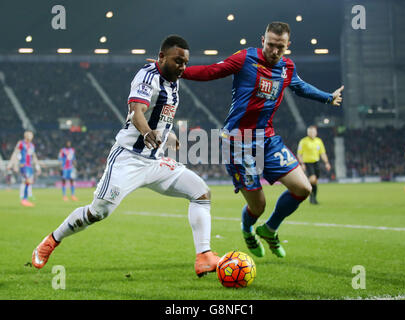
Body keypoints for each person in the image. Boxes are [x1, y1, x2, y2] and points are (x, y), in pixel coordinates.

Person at [32, 35, 220, 277]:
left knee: (201, 192)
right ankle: (51, 240)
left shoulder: (173, 80)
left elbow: (160, 116)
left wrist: (168, 136)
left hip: (155, 161)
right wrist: (147, 132)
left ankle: (204, 256)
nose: (182, 67)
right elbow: (137, 111)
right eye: (177, 61)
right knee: (97, 212)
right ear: (162, 57)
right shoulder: (147, 76)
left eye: (185, 62)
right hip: (128, 158)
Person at [181, 21, 343, 258]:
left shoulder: (287, 67)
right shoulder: (245, 58)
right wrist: (176, 71)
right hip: (238, 142)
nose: (275, 51)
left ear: (288, 45)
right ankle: (247, 229)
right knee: (258, 206)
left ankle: (270, 229)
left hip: (266, 139)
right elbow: (211, 71)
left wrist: (327, 98)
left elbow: (300, 86)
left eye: (281, 47)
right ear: (262, 41)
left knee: (303, 188)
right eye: (270, 45)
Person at [297, 125, 331, 204]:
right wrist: (302, 164)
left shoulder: (319, 141)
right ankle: (310, 195)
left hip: (316, 163)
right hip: (307, 163)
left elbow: (322, 153)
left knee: (315, 181)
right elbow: (299, 154)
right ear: (307, 133)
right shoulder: (303, 141)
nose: (311, 133)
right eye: (310, 132)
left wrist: (327, 163)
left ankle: (313, 198)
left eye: (313, 132)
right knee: (312, 179)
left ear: (316, 132)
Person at [7, 130, 41, 207]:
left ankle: (25, 199)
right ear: (26, 135)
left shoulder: (32, 145)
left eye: (31, 135)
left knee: (28, 182)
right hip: (23, 165)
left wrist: (37, 166)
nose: (31, 136)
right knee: (27, 181)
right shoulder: (21, 143)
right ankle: (24, 199)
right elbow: (15, 153)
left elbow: (34, 156)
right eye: (29, 135)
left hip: (29, 166)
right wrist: (13, 164)